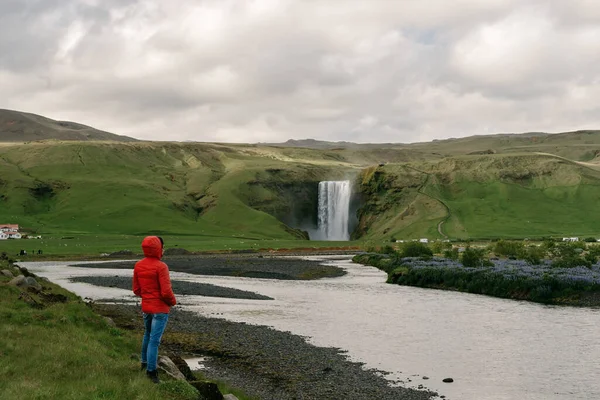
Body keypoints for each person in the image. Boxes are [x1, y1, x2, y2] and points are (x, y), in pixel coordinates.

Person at [132, 236, 177, 384]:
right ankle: (151, 372)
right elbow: (166, 292)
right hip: (160, 309)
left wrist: (147, 296)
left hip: (147, 307)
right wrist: (173, 302)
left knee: (147, 335)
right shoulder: (161, 266)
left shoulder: (138, 265)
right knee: (154, 341)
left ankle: (144, 364)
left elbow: (136, 289)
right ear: (158, 248)